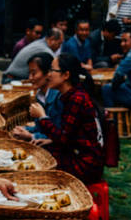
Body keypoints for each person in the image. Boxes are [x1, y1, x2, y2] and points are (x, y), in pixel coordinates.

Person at [29, 52, 105, 185]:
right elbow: (68, 136)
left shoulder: (76, 99)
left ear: (66, 75)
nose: (49, 74)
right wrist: (49, 141)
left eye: (53, 70)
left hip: (85, 164)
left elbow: (63, 138)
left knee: (39, 162)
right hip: (80, 156)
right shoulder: (71, 95)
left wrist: (42, 117)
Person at [12, 52, 62, 143]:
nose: (30, 77)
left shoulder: (58, 97)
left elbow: (59, 134)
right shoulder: (39, 96)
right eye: (29, 73)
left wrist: (31, 136)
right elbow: (41, 127)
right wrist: (25, 129)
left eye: (34, 73)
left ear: (48, 73)